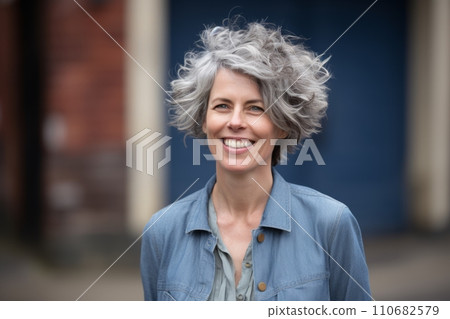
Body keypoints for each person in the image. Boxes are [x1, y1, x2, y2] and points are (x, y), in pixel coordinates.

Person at [140, 20, 371, 301]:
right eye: (222, 106)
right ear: (203, 119)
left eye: (256, 108)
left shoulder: (331, 225)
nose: (235, 122)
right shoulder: (162, 231)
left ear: (283, 126)